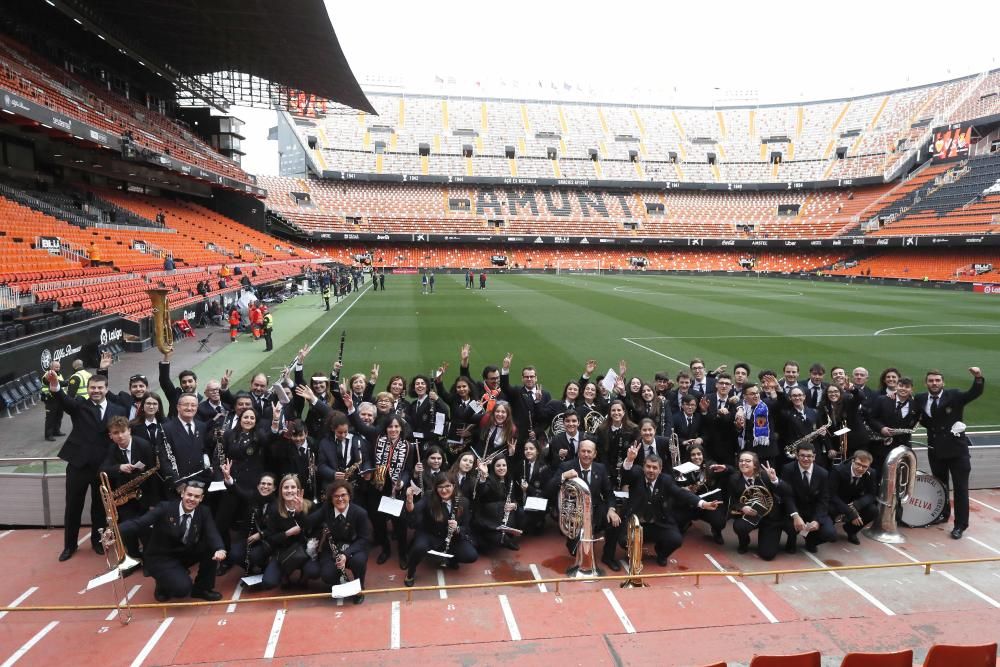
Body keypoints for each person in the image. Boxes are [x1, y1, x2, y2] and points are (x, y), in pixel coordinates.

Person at [47, 365, 128, 561]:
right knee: (73, 506)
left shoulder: (118, 409)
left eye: (100, 388)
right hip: (78, 465)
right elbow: (64, 400)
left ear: (107, 389)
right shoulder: (80, 405)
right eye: (93, 388)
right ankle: (70, 545)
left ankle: (97, 542)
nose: (96, 391)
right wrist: (55, 386)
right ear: (88, 389)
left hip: (103, 468)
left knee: (100, 509)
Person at [118, 481, 226, 602]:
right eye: (189, 495)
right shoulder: (165, 508)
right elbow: (139, 523)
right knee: (182, 589)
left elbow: (212, 532)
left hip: (185, 552)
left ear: (201, 498)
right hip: (162, 556)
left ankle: (202, 589)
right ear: (182, 494)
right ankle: (162, 584)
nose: (192, 499)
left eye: (196, 497)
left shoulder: (204, 511)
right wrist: (115, 532)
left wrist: (220, 549)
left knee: (212, 547)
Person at [914, 367, 984, 539]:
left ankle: (960, 525)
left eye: (937, 380)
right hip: (936, 450)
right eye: (931, 380)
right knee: (940, 485)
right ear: (926, 383)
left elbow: (973, 393)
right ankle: (943, 514)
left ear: (943, 382)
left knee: (960, 489)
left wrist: (978, 378)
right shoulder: (920, 398)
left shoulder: (954, 395)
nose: (934, 383)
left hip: (957, 451)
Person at [620, 449, 721, 566]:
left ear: (660, 469)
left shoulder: (666, 480)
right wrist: (630, 459)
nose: (651, 470)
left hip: (659, 522)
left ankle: (661, 554)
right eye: (648, 467)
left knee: (675, 540)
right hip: (637, 522)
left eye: (654, 467)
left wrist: (702, 503)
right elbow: (626, 473)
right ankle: (635, 547)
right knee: (624, 541)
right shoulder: (637, 474)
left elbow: (681, 493)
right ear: (643, 467)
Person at [546, 439, 622, 572]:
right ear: (578, 452)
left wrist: (611, 509)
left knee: (615, 522)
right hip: (575, 514)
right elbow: (548, 489)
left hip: (596, 510)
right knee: (575, 551)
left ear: (595, 454)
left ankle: (608, 557)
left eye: (589, 452)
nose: (586, 454)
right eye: (583, 451)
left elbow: (609, 493)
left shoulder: (601, 468)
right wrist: (563, 476)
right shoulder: (566, 466)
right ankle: (576, 543)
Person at [99, 416, 159, 559]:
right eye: (115, 433)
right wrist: (118, 467)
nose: (120, 436)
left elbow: (154, 475)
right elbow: (102, 469)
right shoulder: (112, 449)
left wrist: (153, 503)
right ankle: (133, 558)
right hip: (125, 498)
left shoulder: (143, 446)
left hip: (145, 495)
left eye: (122, 431)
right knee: (127, 528)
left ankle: (149, 560)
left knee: (146, 530)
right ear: (110, 436)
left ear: (129, 431)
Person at [403, 474, 478, 587]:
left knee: (471, 555)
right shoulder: (429, 496)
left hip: (451, 537)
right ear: (435, 488)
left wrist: (457, 528)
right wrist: (409, 501)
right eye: (440, 487)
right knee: (419, 548)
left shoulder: (463, 502)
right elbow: (414, 511)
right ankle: (411, 572)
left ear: (454, 486)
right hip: (430, 533)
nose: (444, 490)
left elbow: (466, 527)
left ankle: (451, 559)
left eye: (447, 486)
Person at [304, 480, 372, 602]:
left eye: (343, 495)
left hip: (353, 548)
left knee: (359, 561)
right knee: (327, 575)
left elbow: (364, 539)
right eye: (336, 496)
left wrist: (346, 555)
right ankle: (341, 582)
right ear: (331, 498)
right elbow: (308, 522)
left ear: (349, 496)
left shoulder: (360, 513)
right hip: (331, 549)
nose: (340, 499)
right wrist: (299, 510)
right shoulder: (326, 509)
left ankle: (359, 588)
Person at [727, 451, 789, 560]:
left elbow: (787, 491)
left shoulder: (765, 476)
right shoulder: (734, 479)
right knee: (739, 526)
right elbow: (732, 501)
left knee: (768, 555)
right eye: (741, 461)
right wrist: (742, 507)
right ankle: (744, 542)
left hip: (770, 517)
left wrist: (775, 479)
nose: (743, 463)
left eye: (748, 461)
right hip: (750, 515)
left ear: (755, 464)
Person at [218, 465, 276, 576]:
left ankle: (264, 565)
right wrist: (228, 477)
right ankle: (251, 569)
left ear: (274, 488)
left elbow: (276, 528)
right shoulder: (251, 496)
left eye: (269, 484)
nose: (265, 486)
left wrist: (260, 534)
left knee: (255, 556)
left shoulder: (277, 504)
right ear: (258, 486)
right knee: (234, 554)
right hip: (247, 537)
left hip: (266, 540)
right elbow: (236, 489)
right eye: (263, 484)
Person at [260, 474, 315, 589]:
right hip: (283, 551)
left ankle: (304, 576)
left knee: (314, 571)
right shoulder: (274, 508)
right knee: (268, 582)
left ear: (298, 490)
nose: (289, 491)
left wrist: (300, 513)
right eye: (286, 488)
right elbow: (270, 538)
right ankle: (284, 574)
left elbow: (311, 531)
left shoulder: (309, 505)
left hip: (304, 549)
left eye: (293, 487)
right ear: (281, 491)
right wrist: (287, 533)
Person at [780, 442, 836, 554]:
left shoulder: (823, 473)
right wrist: (795, 516)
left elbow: (824, 499)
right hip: (794, 510)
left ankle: (811, 541)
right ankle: (792, 538)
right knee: (789, 526)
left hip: (813, 511)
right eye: (802, 455)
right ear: (797, 456)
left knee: (830, 534)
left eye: (809, 456)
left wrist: (817, 520)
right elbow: (787, 496)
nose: (806, 459)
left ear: (814, 457)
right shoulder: (788, 469)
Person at [473, 457, 523, 550]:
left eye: (504, 465)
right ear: (493, 467)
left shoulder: (509, 480)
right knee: (488, 544)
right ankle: (499, 538)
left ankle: (503, 536)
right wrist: (483, 475)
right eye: (498, 466)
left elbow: (513, 498)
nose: (501, 468)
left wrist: (514, 505)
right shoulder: (489, 479)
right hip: (489, 516)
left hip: (502, 515)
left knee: (520, 512)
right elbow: (481, 491)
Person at [828, 450, 878, 545]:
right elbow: (831, 495)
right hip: (838, 501)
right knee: (830, 514)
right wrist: (850, 512)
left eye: (865, 466)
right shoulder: (838, 470)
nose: (860, 468)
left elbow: (872, 494)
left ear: (869, 466)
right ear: (853, 461)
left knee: (873, 510)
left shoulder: (871, 473)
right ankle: (829, 528)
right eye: (858, 464)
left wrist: (858, 504)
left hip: (855, 501)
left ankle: (851, 530)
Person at [42, 359, 66, 441]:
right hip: (50, 399)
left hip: (59, 398)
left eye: (59, 367)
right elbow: (60, 383)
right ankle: (48, 435)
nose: (58, 368)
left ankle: (56, 431)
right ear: (51, 367)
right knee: (50, 418)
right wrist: (70, 382)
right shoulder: (48, 375)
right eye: (56, 367)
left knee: (59, 415)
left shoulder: (59, 374)